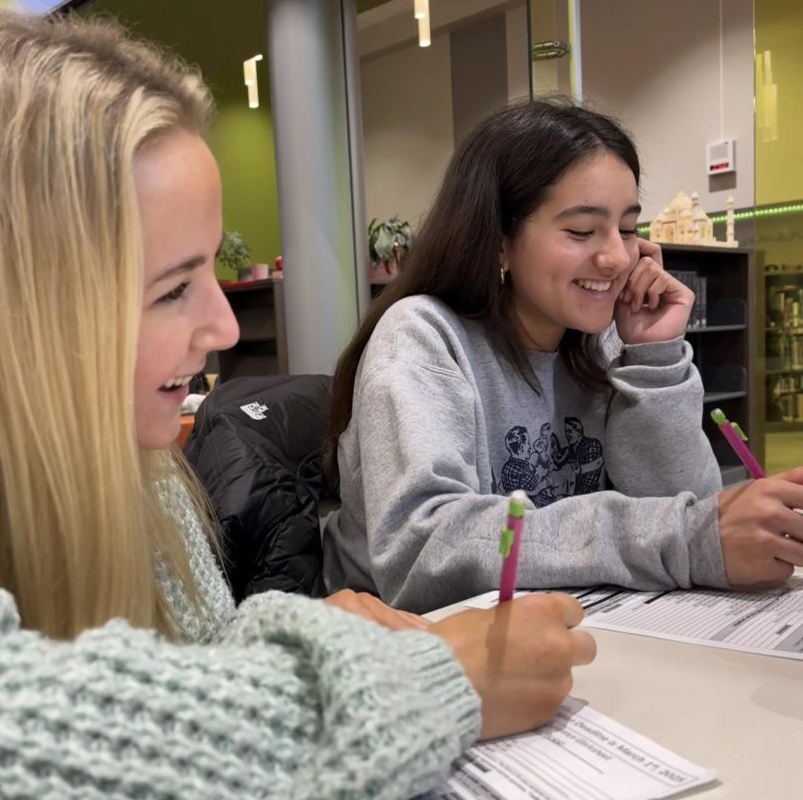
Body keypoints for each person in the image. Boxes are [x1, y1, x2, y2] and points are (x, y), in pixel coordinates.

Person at [0, 8, 596, 800]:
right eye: (172, 288)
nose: (224, 327)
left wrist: (296, 633)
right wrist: (426, 691)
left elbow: (187, 658)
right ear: (1, 315)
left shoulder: (137, 474)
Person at [323, 100, 803, 614]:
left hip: (571, 621)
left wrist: (654, 355)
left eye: (626, 228)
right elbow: (423, 552)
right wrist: (685, 538)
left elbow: (695, 515)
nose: (618, 258)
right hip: (417, 648)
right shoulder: (421, 335)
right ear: (499, 241)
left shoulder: (602, 341)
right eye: (581, 231)